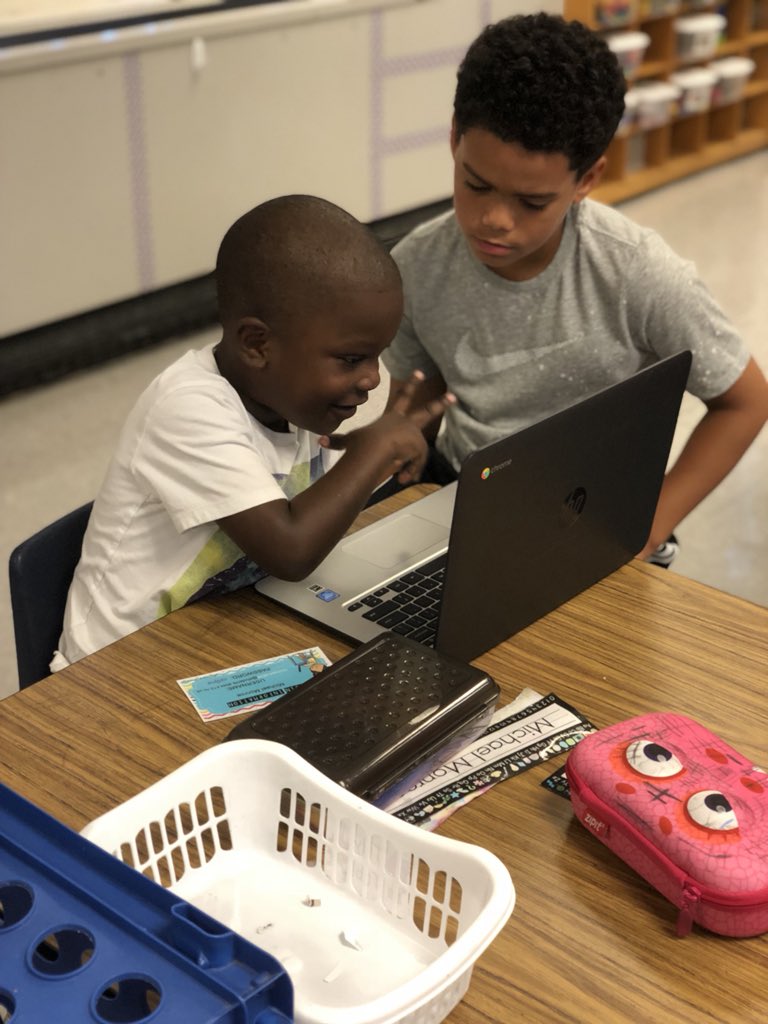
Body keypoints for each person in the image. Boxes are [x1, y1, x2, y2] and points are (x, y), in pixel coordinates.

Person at [382, 13, 768, 562]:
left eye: (532, 202)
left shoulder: (638, 272)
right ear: (454, 140)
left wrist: (649, 529)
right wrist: (390, 456)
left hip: (597, 518)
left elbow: (746, 402)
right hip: (464, 501)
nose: (494, 219)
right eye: (476, 184)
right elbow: (420, 404)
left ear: (587, 179)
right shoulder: (416, 265)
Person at [53, 195, 452, 668]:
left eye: (377, 355)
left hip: (221, 638)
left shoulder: (292, 398)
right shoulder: (187, 408)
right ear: (257, 345)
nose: (371, 378)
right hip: (112, 674)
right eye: (351, 359)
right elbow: (290, 550)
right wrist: (374, 451)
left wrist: (391, 450)